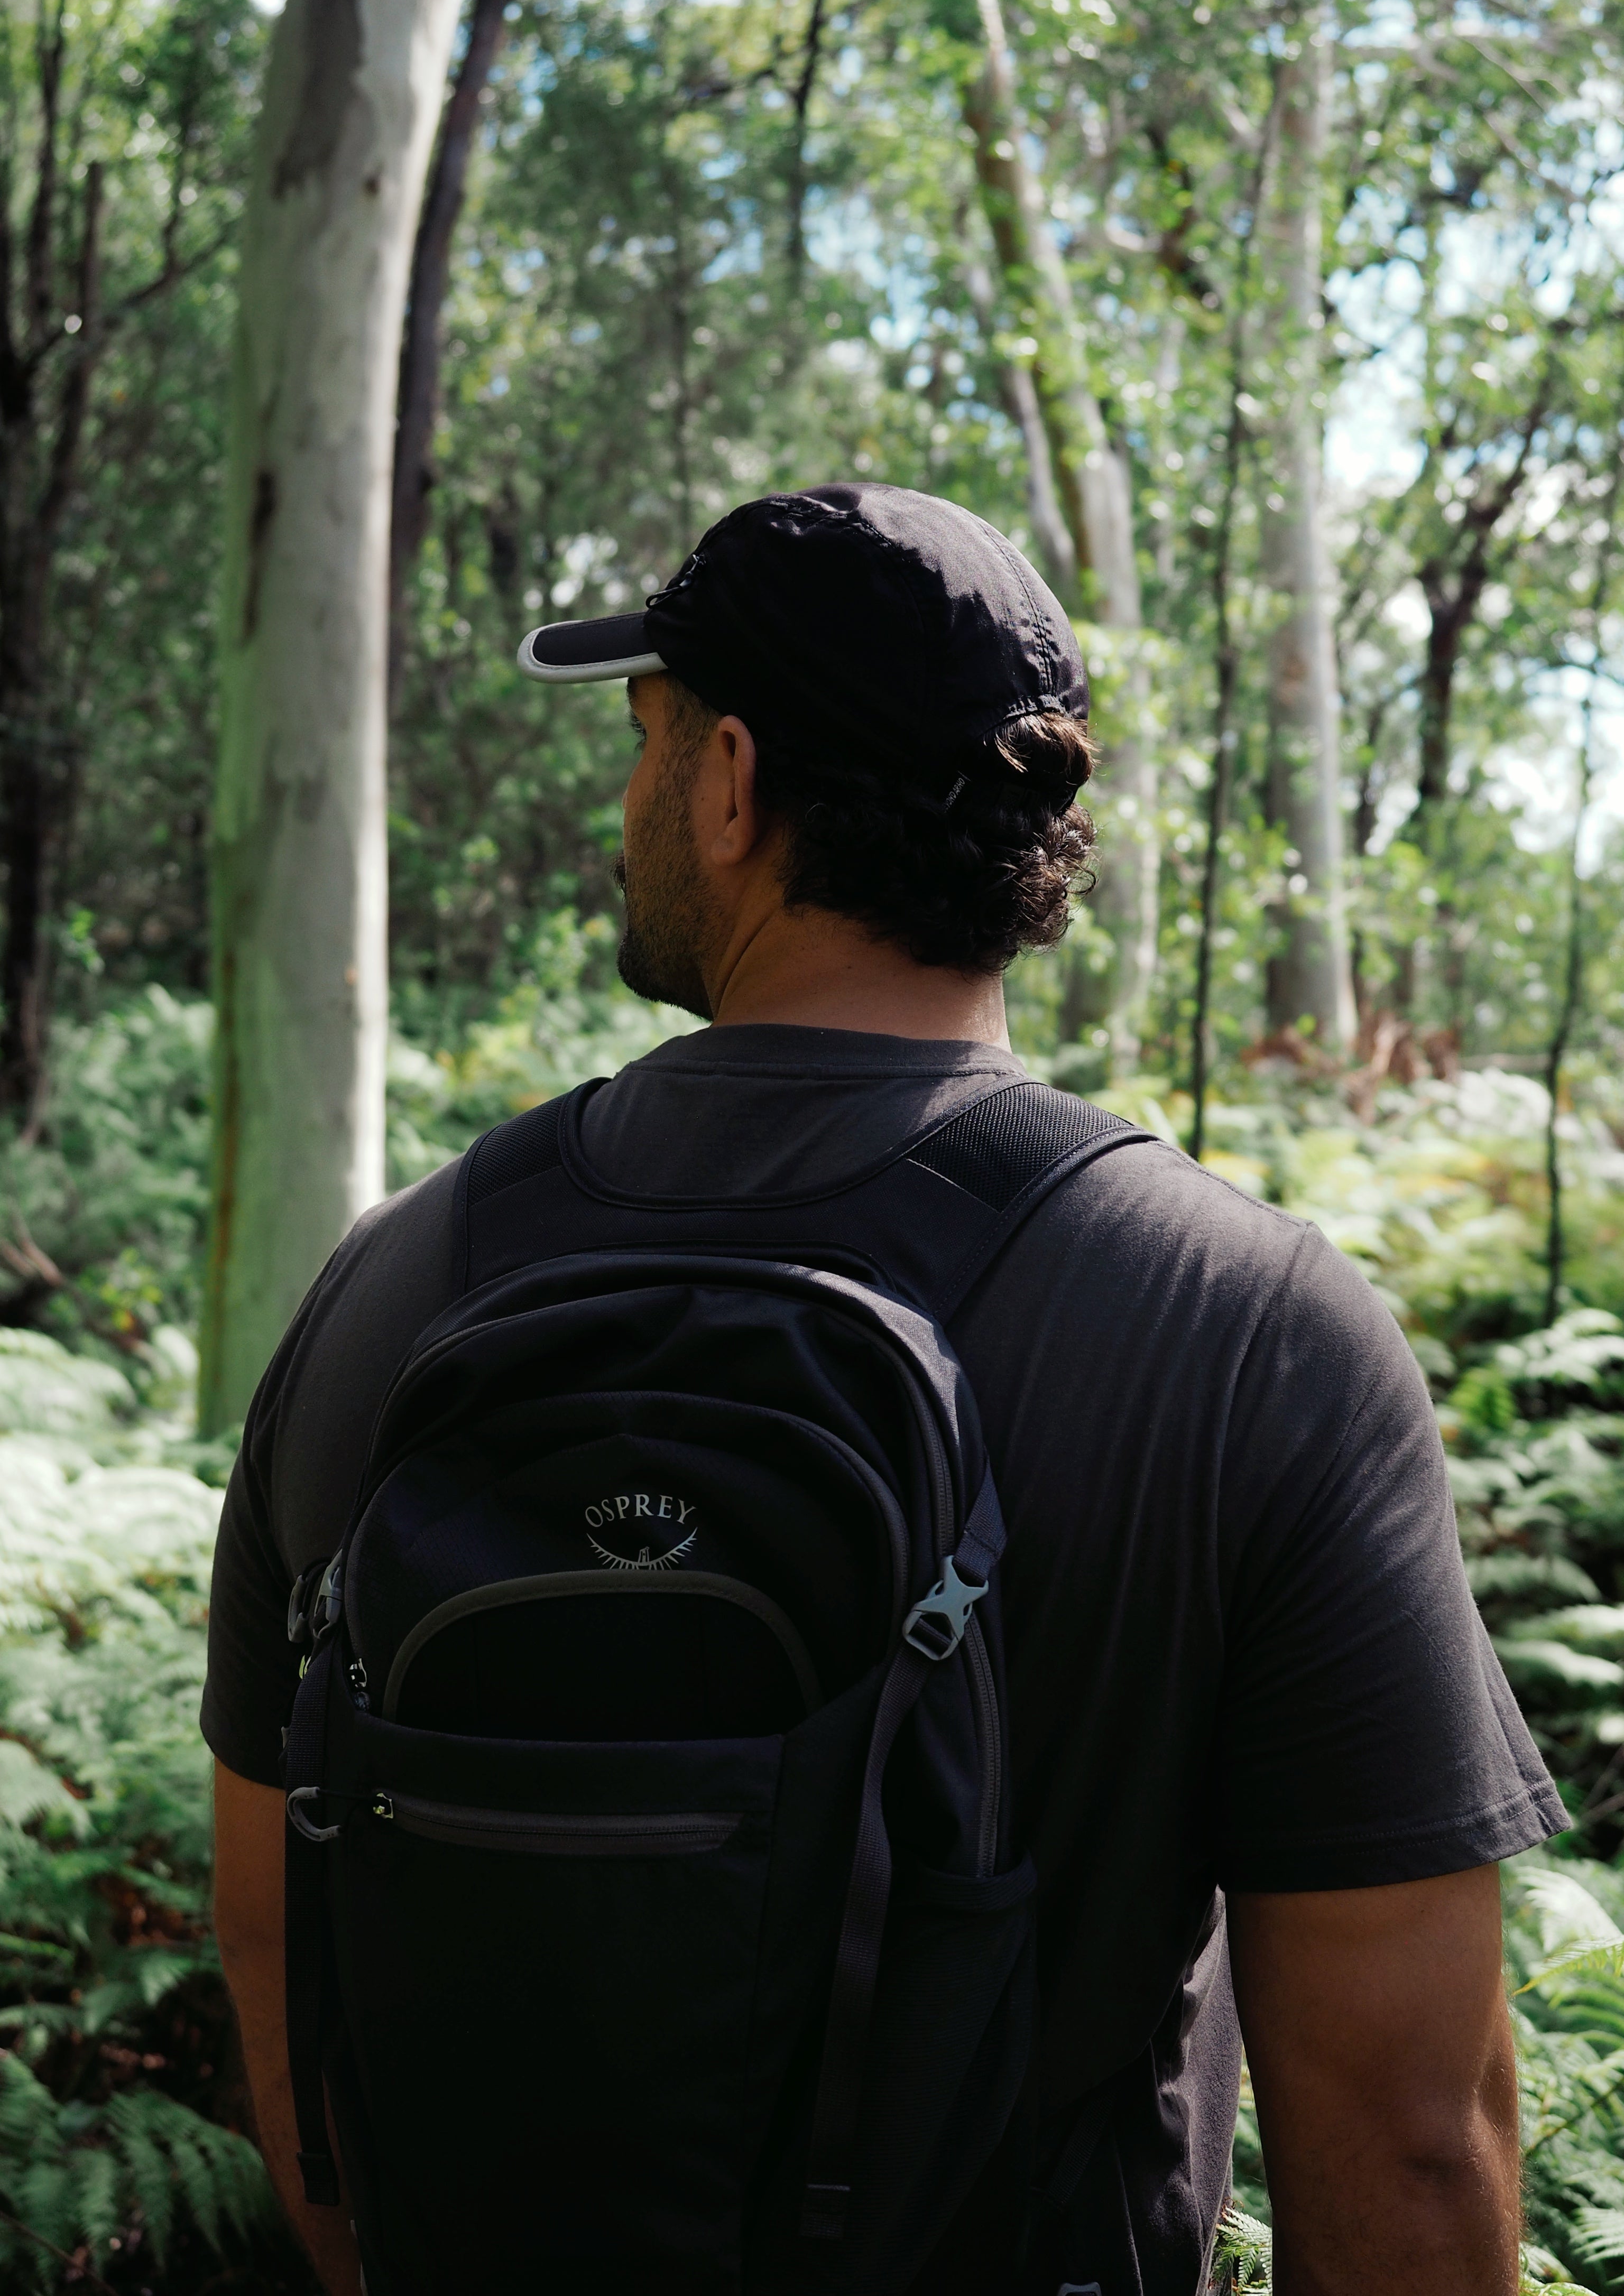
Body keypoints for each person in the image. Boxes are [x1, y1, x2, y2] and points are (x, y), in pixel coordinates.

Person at [207, 483, 1561, 2296]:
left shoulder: (395, 1285)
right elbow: (1409, 2144)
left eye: (644, 746)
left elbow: (277, 1955)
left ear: (730, 782)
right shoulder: (1249, 1327)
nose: (631, 810)